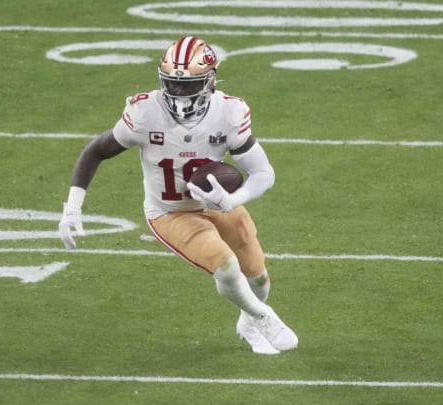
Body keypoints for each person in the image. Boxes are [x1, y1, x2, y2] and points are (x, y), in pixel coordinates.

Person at [58, 36, 297, 354]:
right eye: (172, 84)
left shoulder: (228, 112)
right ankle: (263, 316)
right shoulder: (145, 112)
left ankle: (248, 321)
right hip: (170, 211)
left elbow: (264, 173)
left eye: (189, 85)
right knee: (225, 264)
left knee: (258, 277)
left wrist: (233, 200)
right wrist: (73, 206)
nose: (179, 93)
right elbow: (96, 150)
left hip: (216, 204)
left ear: (210, 81)